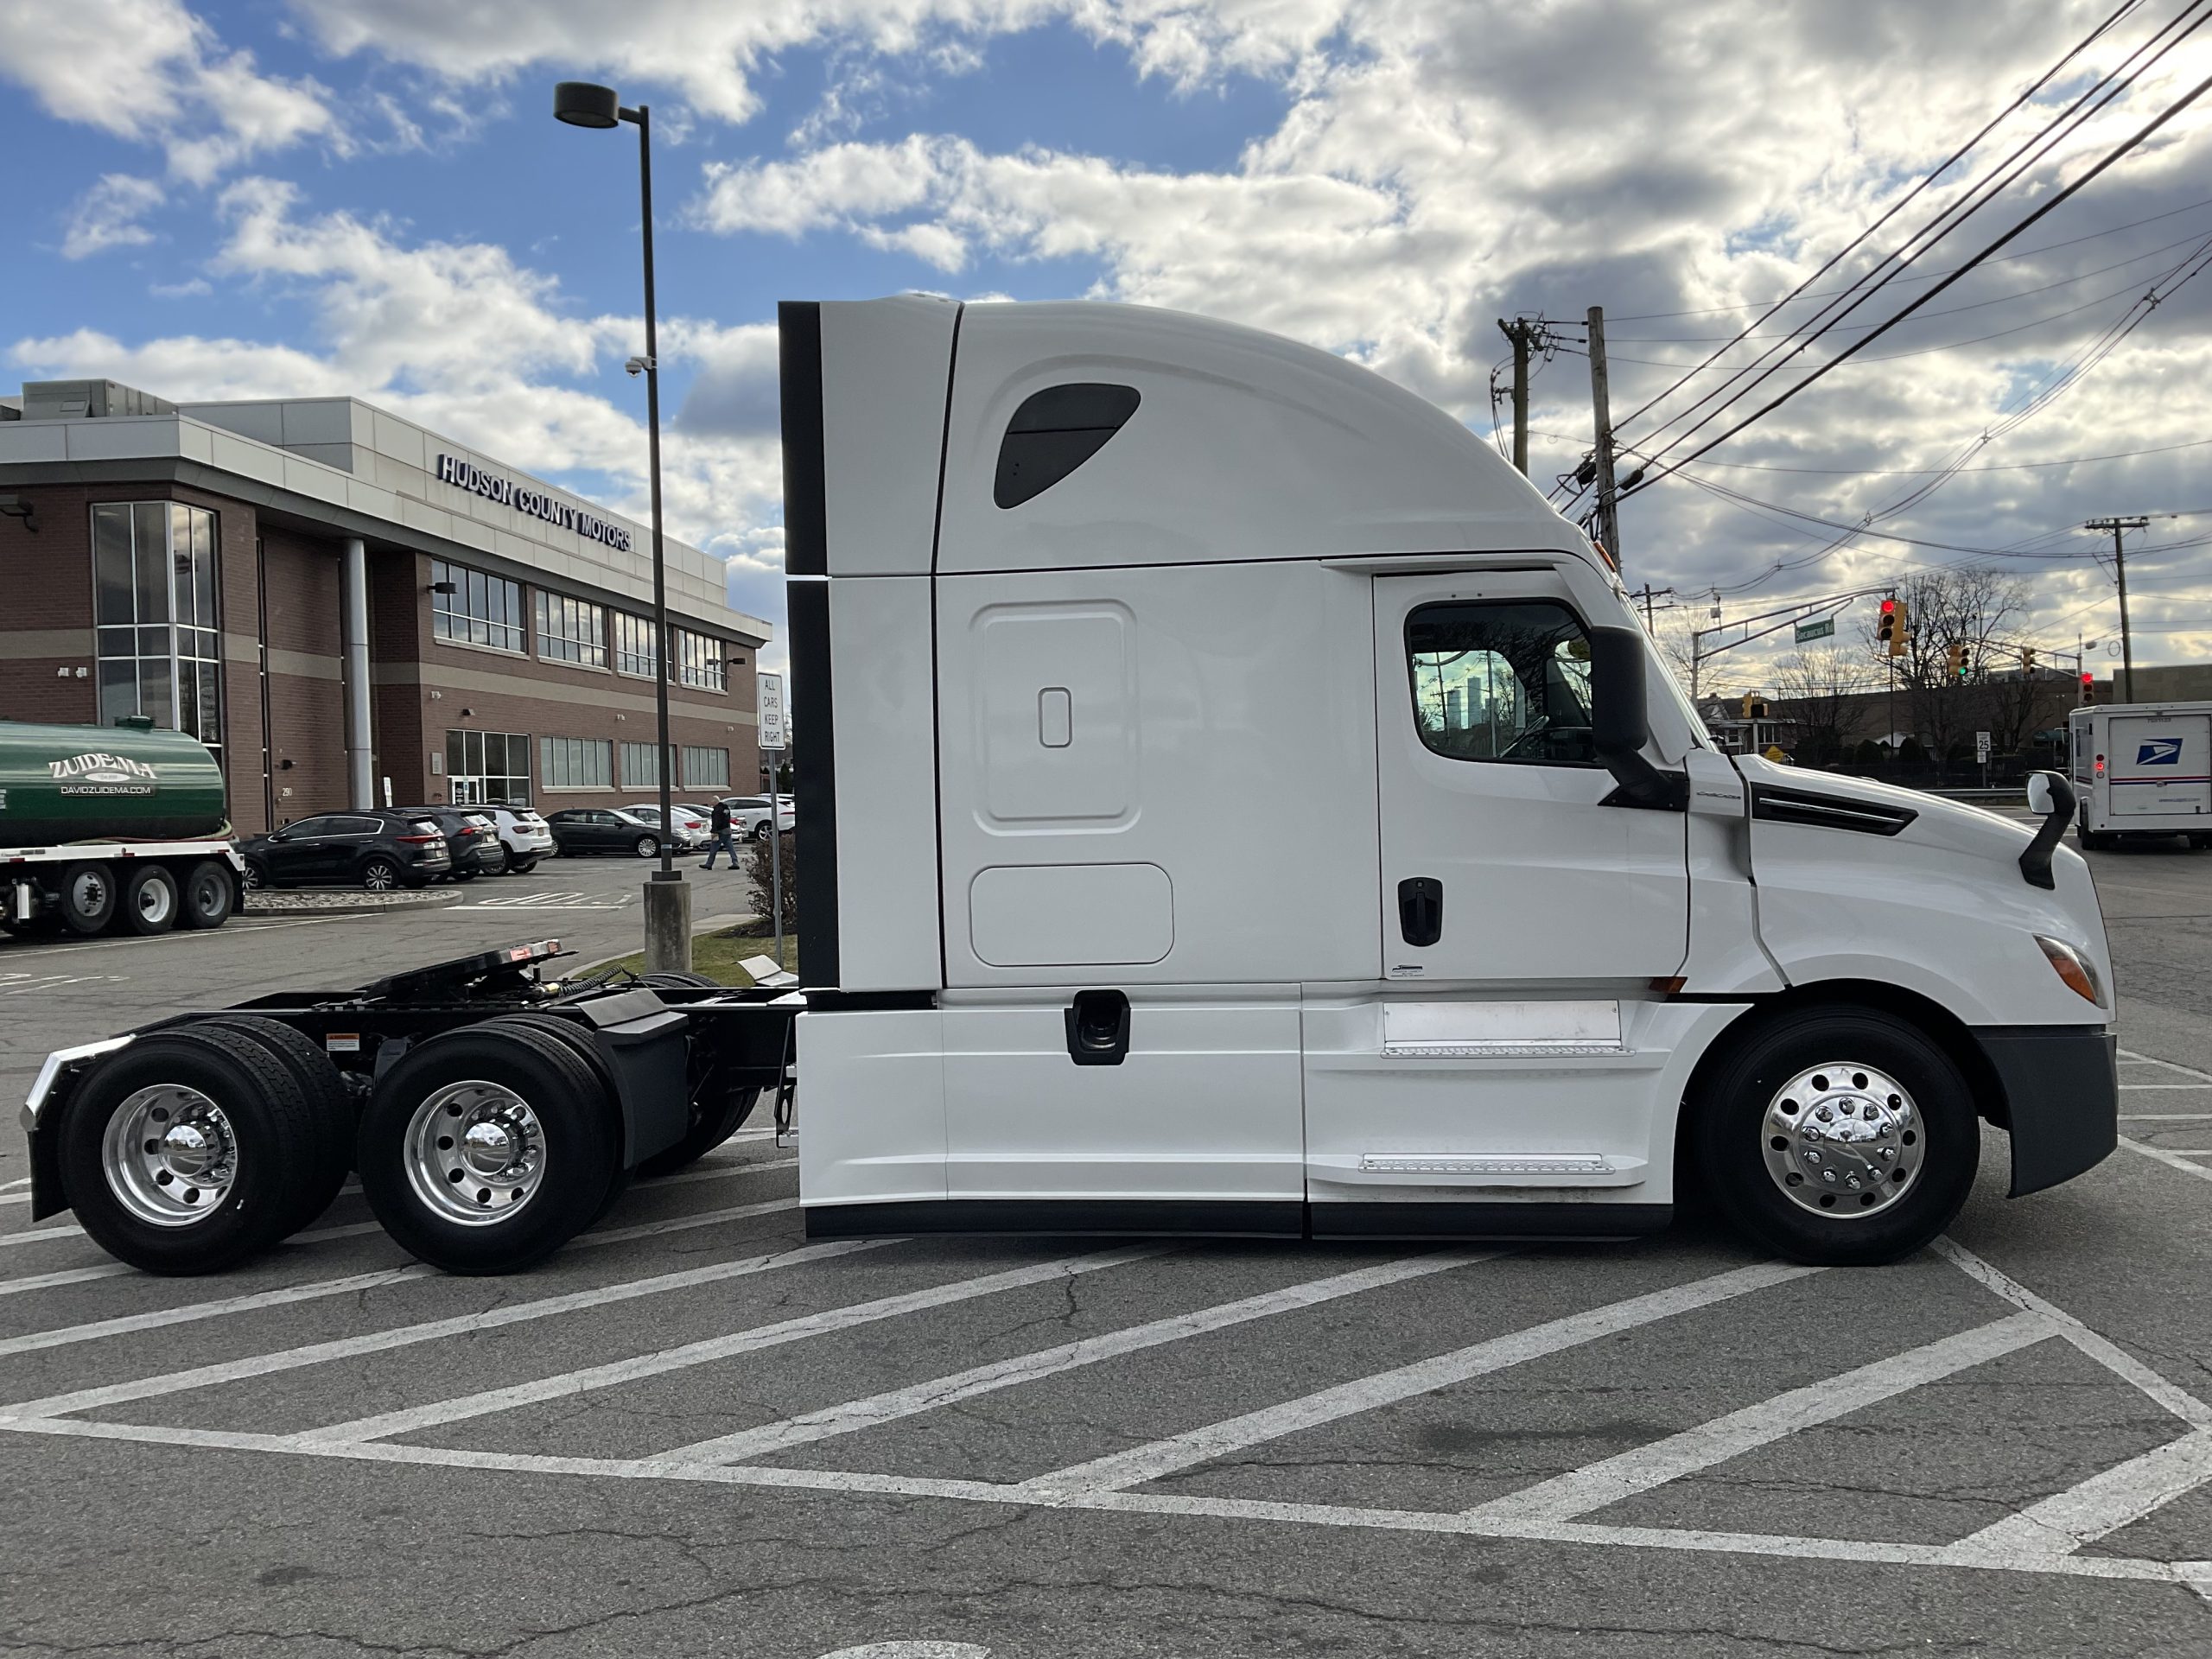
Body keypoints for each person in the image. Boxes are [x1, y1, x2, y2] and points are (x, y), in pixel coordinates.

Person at [702, 798, 738, 870]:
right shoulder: (726, 808)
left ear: (715, 802)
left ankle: (709, 864)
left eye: (712, 802)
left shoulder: (717, 810)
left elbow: (716, 821)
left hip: (719, 832)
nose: (711, 803)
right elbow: (727, 819)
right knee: (730, 848)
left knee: (713, 848)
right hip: (727, 831)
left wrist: (714, 831)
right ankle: (735, 863)